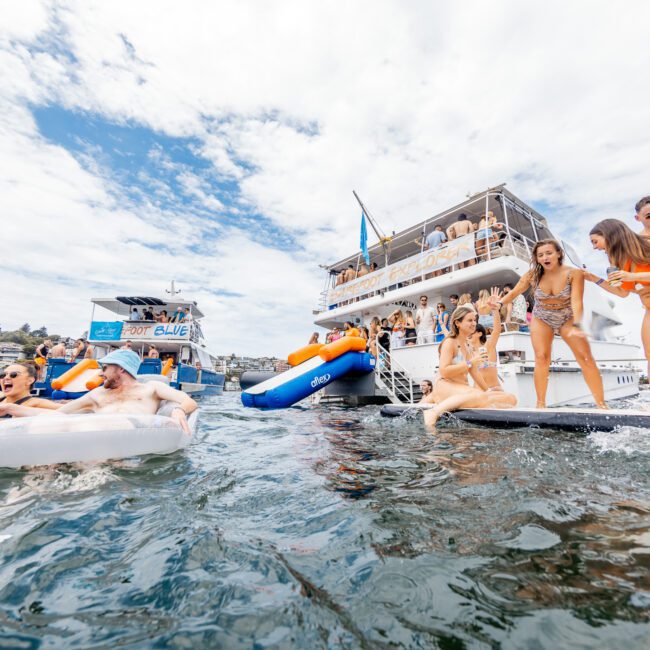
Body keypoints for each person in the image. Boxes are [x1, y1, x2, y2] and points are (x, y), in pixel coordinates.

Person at [491, 239, 606, 409]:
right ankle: (540, 404)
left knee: (586, 358)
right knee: (541, 358)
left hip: (567, 316)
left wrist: (577, 325)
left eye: (549, 253)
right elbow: (515, 292)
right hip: (542, 316)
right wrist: (500, 304)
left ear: (559, 253)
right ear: (537, 258)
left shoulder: (574, 273)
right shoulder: (532, 275)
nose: (545, 257)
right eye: (540, 255)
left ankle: (601, 404)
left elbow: (577, 302)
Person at [0, 350, 197, 432]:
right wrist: (11, 409)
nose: (100, 373)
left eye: (104, 368)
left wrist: (179, 410)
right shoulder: (96, 395)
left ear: (120, 368)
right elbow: (57, 414)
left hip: (129, 438)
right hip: (91, 436)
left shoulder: (151, 388)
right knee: (46, 427)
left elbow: (188, 401)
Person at [422, 306, 517, 427]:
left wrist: (487, 391)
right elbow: (444, 371)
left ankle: (476, 399)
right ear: (457, 323)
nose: (474, 323)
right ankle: (433, 412)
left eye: (475, 320)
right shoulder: (449, 342)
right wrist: (470, 362)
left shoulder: (468, 345)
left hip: (462, 389)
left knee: (510, 398)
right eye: (470, 320)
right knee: (479, 396)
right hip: (445, 386)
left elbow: (473, 372)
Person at [585, 218, 650, 377]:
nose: (594, 247)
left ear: (609, 235)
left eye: (595, 241)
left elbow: (632, 278)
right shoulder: (615, 262)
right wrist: (594, 278)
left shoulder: (646, 244)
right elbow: (622, 292)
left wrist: (632, 276)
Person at [469, 288, 509, 392]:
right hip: (477, 391)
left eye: (471, 332)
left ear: (479, 333)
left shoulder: (488, 346)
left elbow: (496, 330)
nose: (468, 334)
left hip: (494, 389)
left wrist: (495, 310)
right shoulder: (468, 351)